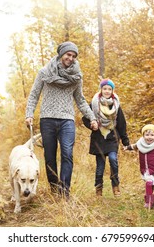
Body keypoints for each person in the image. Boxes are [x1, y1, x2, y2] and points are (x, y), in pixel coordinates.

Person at [25, 41, 98, 198]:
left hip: (67, 120)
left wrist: (92, 117)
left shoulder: (76, 77)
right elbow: (34, 94)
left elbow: (80, 100)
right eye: (68, 55)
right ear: (61, 54)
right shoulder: (44, 72)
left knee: (67, 153)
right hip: (47, 119)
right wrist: (29, 113)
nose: (70, 58)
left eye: (73, 56)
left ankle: (64, 192)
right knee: (49, 156)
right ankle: (53, 189)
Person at [82, 79, 130, 197]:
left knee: (113, 160)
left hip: (112, 138)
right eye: (105, 88)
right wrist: (91, 125)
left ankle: (115, 186)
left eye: (109, 89)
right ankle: (99, 189)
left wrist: (125, 141)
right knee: (100, 167)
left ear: (112, 91)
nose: (107, 91)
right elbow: (85, 118)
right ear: (101, 90)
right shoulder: (94, 104)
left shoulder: (116, 105)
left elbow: (122, 124)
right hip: (98, 139)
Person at [124, 124, 154, 208]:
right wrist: (127, 147)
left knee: (149, 183)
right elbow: (134, 146)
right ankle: (151, 201)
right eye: (147, 135)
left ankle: (149, 202)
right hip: (145, 170)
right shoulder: (140, 144)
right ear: (143, 135)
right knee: (150, 185)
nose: (149, 137)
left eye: (152, 135)